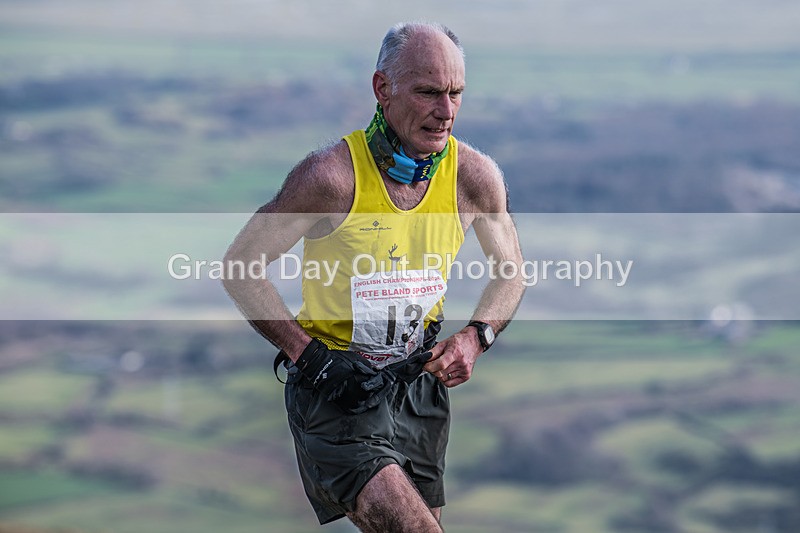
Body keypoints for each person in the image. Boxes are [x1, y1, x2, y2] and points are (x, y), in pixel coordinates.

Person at [223, 21, 525, 533]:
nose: (446, 111)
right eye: (428, 92)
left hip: (417, 386)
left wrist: (478, 336)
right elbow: (241, 266)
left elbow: (511, 273)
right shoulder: (330, 178)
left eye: (455, 94)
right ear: (382, 88)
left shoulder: (473, 177)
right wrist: (310, 357)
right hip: (335, 388)